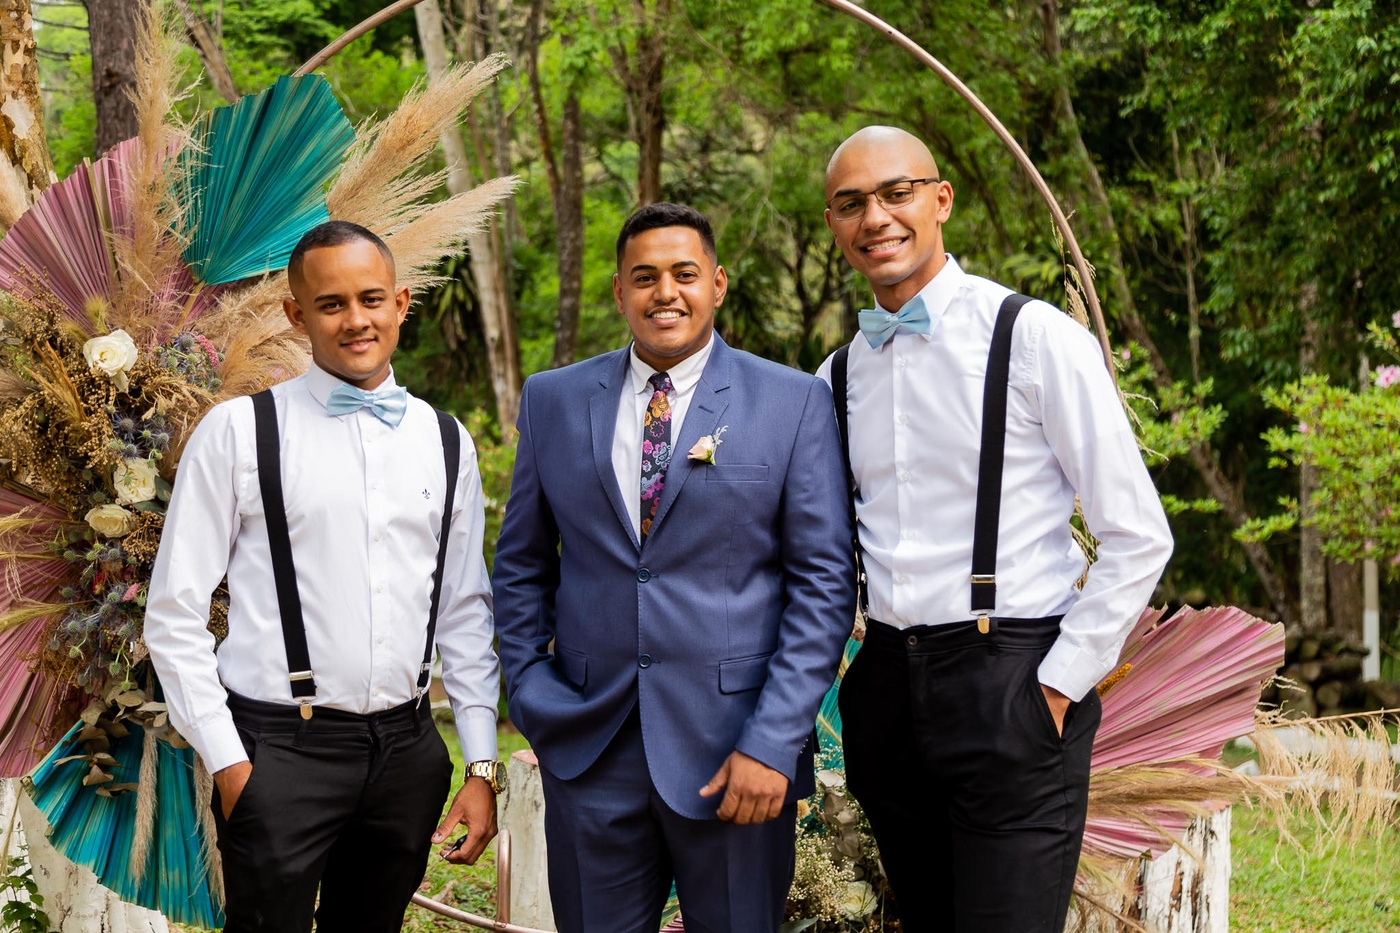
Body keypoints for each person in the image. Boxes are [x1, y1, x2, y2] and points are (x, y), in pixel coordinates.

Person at [817, 126, 1173, 933]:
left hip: (1012, 677)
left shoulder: (1035, 337)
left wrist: (1055, 687)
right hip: (885, 692)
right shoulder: (836, 376)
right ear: (834, 223)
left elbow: (1137, 533)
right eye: (852, 202)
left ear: (941, 200)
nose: (876, 217)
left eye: (897, 192)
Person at [492, 202, 855, 933]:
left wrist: (771, 740)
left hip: (736, 754)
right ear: (619, 290)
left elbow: (823, 585)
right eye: (645, 276)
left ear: (716, 284)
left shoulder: (792, 401)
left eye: (684, 274)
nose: (666, 293)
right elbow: (522, 566)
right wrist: (531, 692)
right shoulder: (554, 400)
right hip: (589, 750)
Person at [144, 221, 503, 933]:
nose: (355, 320)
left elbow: (464, 611)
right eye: (331, 303)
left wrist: (481, 764)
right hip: (280, 750)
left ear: (401, 302)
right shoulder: (239, 432)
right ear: (295, 314)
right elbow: (173, 615)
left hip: (407, 753)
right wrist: (231, 764)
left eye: (371, 298)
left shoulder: (445, 439)